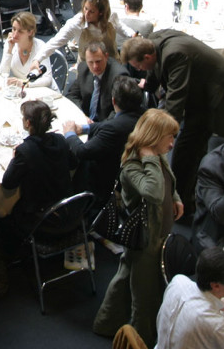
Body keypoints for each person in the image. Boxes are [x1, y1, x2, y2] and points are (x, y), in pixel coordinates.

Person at [123, 32, 224, 214]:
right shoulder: (152, 44)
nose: (139, 69)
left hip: (213, 95)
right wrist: (147, 86)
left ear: (147, 56)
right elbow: (153, 71)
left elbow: (175, 98)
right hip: (197, 91)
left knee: (186, 150)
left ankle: (184, 202)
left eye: (139, 65)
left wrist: (161, 137)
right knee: (192, 149)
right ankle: (194, 188)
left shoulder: (174, 54)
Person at [92, 109, 182, 343]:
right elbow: (152, 192)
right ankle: (139, 339)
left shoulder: (157, 156)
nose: (172, 143)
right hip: (144, 238)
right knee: (144, 294)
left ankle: (107, 322)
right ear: (154, 137)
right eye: (169, 137)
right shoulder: (134, 165)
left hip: (155, 232)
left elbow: (166, 180)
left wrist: (175, 197)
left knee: (125, 276)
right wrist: (150, 157)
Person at [64, 75, 144, 209]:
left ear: (114, 101)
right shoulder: (142, 114)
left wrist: (69, 134)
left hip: (103, 179)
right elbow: (108, 125)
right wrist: (84, 128)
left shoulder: (114, 128)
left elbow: (82, 151)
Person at [1, 99, 75, 238]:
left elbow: (8, 183)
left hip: (39, 214)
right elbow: (73, 164)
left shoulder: (26, 150)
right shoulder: (59, 139)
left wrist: (14, 158)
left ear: (28, 123)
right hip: (67, 207)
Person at [33, 0, 133, 70]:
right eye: (85, 9)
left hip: (111, 64)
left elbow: (121, 27)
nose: (86, 14)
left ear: (101, 13)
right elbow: (55, 42)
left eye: (91, 11)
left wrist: (133, 35)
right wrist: (37, 59)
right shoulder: (76, 23)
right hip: (88, 68)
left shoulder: (111, 16)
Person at [0, 11, 48, 83]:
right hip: (22, 89)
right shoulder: (10, 43)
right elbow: (3, 73)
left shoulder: (41, 46)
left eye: (20, 31)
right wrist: (9, 50)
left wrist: (24, 83)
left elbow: (47, 79)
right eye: (14, 29)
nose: (15, 35)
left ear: (30, 32)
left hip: (43, 89)